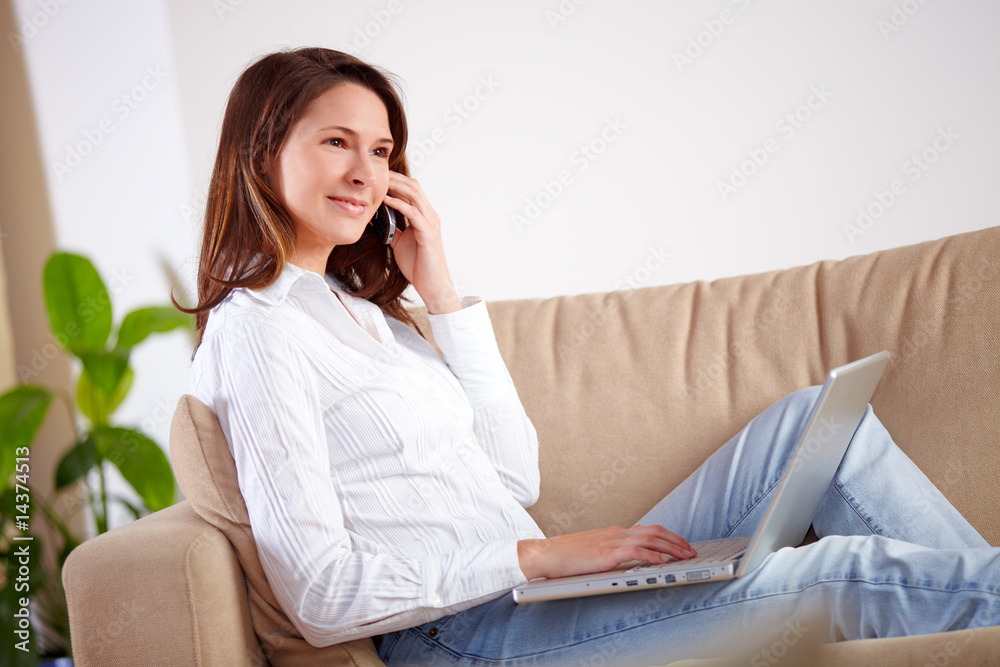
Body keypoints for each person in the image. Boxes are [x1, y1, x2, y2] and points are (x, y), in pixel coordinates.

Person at [176, 47, 999, 665]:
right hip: (465, 637)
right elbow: (319, 595)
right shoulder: (259, 329)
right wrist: (540, 555)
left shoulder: (366, 316)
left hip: (533, 594)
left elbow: (514, 480)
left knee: (821, 427)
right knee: (841, 573)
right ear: (261, 153)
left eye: (383, 151)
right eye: (337, 143)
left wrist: (446, 298)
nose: (366, 172)